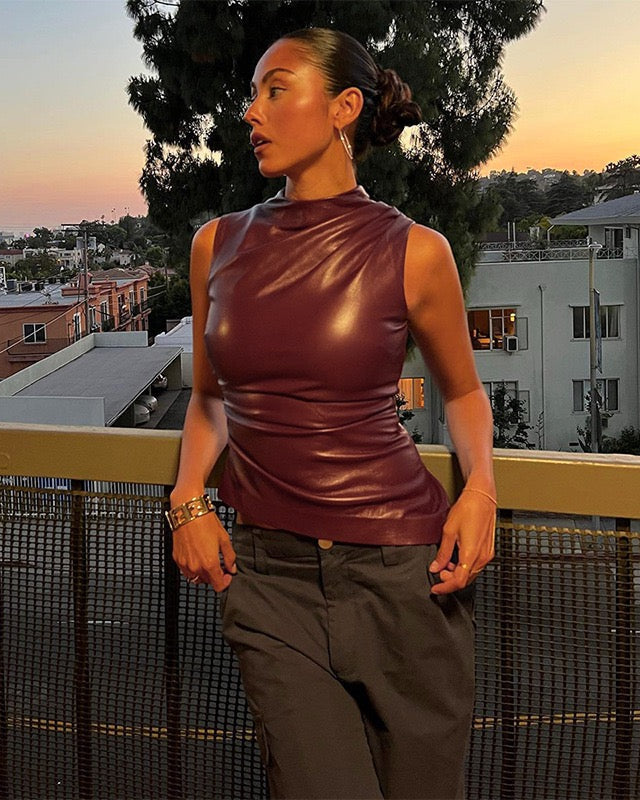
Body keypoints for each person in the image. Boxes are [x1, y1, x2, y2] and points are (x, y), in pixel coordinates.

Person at [167, 27, 496, 800]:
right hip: (269, 579)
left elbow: (462, 393)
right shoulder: (216, 245)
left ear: (344, 107)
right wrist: (187, 499)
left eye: (275, 90)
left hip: (405, 577)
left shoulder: (417, 251)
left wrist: (481, 489)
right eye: (252, 95)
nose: (251, 112)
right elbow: (211, 398)